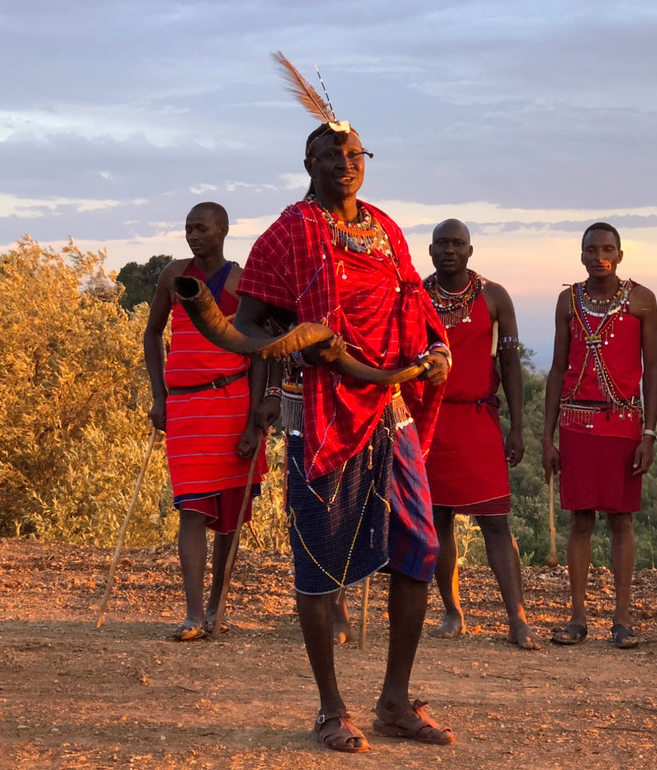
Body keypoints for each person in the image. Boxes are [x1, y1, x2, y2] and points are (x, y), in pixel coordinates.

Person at [234, 120, 455, 752]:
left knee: (419, 545)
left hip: (389, 404)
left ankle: (394, 700)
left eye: (355, 153)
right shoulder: (286, 235)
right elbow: (248, 324)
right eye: (331, 154)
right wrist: (301, 342)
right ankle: (332, 709)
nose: (345, 163)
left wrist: (436, 347)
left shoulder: (383, 227)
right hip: (321, 408)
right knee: (320, 558)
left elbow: (413, 300)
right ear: (308, 162)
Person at [143, 202, 268, 642]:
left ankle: (217, 606)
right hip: (186, 407)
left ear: (224, 231)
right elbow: (152, 333)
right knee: (191, 509)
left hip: (233, 402)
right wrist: (159, 396)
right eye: (188, 228)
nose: (193, 236)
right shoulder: (173, 275)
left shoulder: (242, 281)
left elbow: (257, 351)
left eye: (202, 228)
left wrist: (255, 420)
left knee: (229, 518)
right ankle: (193, 614)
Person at [542, 222, 657, 649]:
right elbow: (557, 370)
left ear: (621, 254)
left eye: (607, 248)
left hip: (625, 425)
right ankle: (577, 618)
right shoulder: (567, 301)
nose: (599, 256)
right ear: (581, 254)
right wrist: (547, 437)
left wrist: (649, 433)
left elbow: (653, 370)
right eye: (591, 249)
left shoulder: (643, 300)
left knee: (621, 519)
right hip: (576, 424)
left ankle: (622, 619)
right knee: (580, 519)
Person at [423, 219, 539, 649]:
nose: (449, 250)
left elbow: (510, 365)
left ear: (470, 250)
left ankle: (517, 619)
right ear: (431, 250)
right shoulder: (416, 296)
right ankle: (452, 612)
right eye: (442, 243)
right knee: (437, 521)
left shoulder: (494, 296)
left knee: (495, 520)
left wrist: (517, 426)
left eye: (458, 243)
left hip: (479, 419)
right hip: (431, 422)